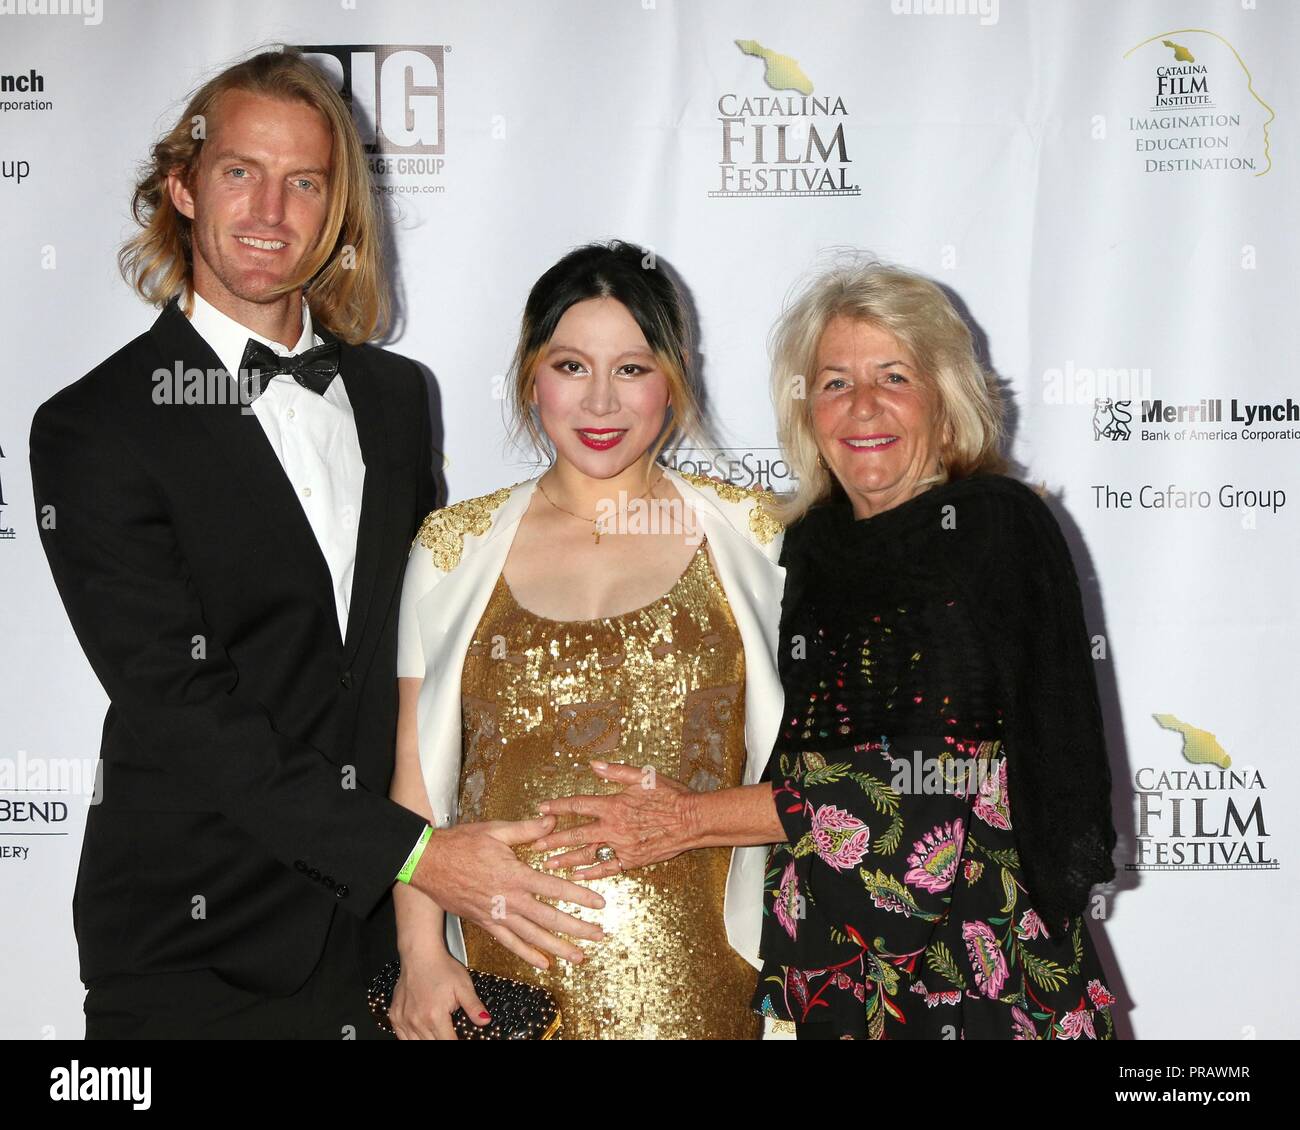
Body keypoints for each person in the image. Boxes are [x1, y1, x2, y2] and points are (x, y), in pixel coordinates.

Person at [29, 49, 592, 1040]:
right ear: (182, 188)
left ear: (338, 211)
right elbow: (183, 708)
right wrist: (418, 853)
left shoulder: (391, 396)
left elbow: (417, 658)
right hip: (194, 943)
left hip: (379, 942)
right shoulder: (97, 426)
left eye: (305, 183)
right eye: (240, 171)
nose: (269, 210)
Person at [539, 257, 1119, 1040]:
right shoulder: (807, 547)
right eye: (835, 382)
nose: (863, 406)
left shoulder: (990, 525)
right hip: (836, 971)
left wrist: (690, 819)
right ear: (807, 409)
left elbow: (929, 780)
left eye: (894, 377)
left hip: (980, 965)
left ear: (946, 403)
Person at [387, 241, 786, 1039]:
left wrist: (697, 820)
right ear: (531, 376)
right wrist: (419, 953)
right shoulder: (451, 548)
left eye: (632, 369)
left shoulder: (758, 537)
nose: (601, 402)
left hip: (707, 985)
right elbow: (417, 784)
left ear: (673, 379)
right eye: (572, 366)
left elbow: (823, 782)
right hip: (504, 984)